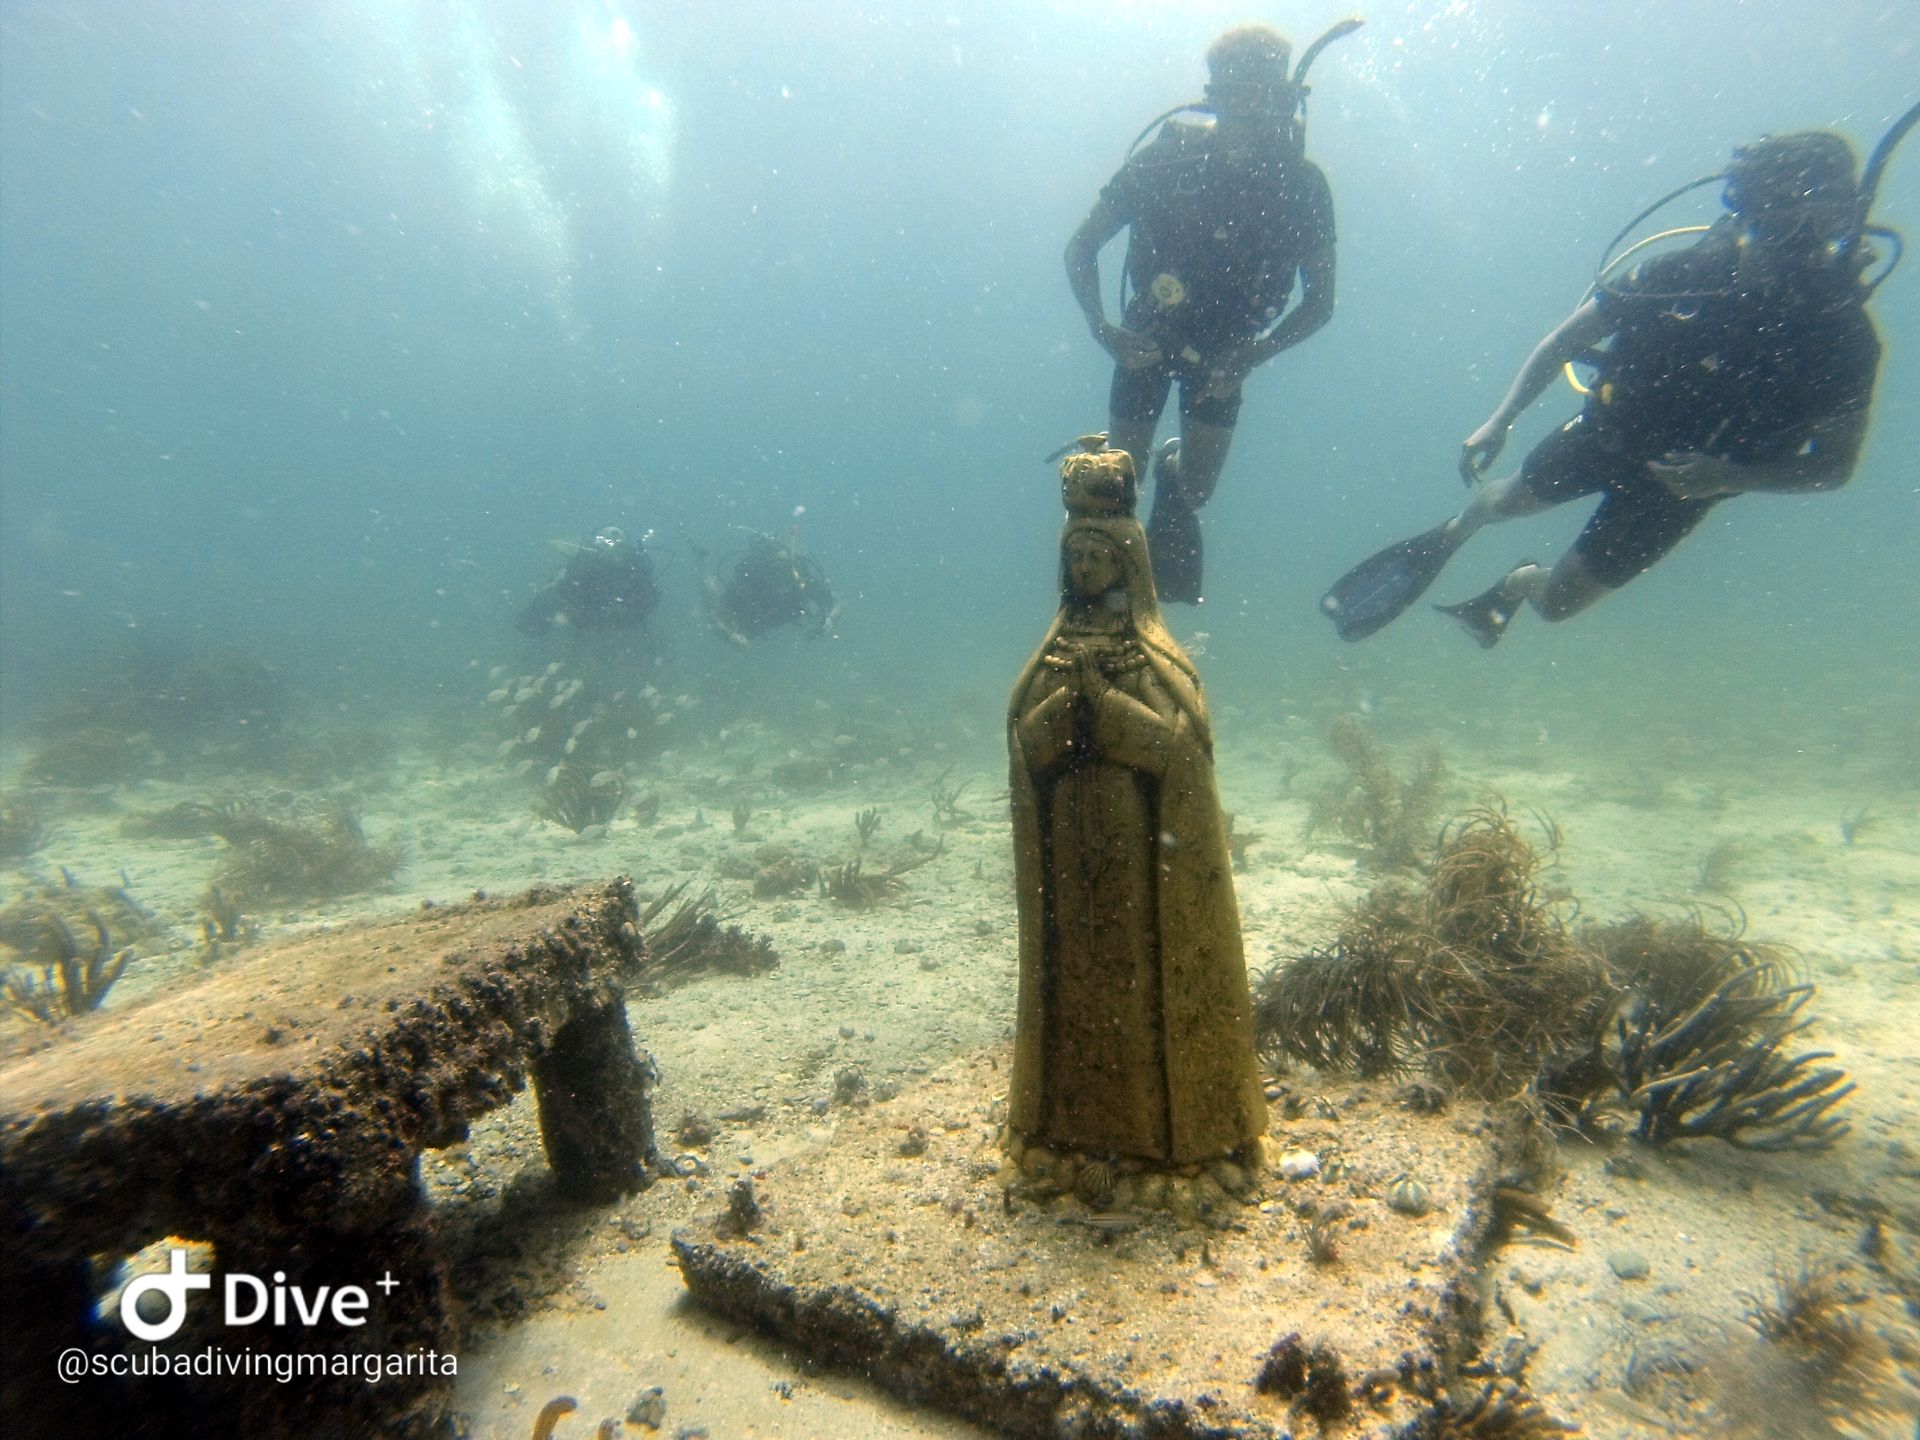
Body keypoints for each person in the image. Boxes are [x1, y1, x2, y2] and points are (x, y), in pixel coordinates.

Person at [1321, 129, 1890, 648]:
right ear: (1744, 208)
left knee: (1556, 606)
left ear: (1845, 218)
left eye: (1817, 214)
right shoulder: (1676, 275)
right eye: (1774, 211)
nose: (1791, 237)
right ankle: (1452, 534)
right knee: (1499, 503)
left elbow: (1835, 466)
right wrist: (1501, 419)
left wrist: (1734, 476)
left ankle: (1520, 582)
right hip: (1607, 436)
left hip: (1681, 493)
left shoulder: (1843, 338)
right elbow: (1562, 343)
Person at [1006, 440, 1266, 1168]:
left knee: (1139, 987)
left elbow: (1181, 756)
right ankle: (1068, 1130)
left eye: (1098, 557)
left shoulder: (1155, 657)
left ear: (1128, 564)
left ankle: (1158, 1140)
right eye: (1076, 558)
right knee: (1078, 987)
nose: (1085, 570)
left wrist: (1109, 711)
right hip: (1068, 853)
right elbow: (1026, 749)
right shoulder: (1053, 653)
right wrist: (1063, 711)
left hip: (1143, 861)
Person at [1065, 22, 1344, 604]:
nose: (1249, 101)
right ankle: (1112, 605)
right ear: (1213, 90)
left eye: (1262, 86)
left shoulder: (1302, 185)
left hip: (1228, 354)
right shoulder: (1165, 159)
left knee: (1196, 491)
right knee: (1118, 486)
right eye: (1236, 85)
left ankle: (1176, 477)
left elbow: (1321, 302)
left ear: (1284, 93)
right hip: (1147, 335)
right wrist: (1104, 331)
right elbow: (1081, 247)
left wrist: (1255, 354)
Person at [517, 526, 660, 635]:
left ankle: (534, 624)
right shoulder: (585, 564)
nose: (614, 554)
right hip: (587, 614)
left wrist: (629, 612)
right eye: (608, 546)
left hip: (615, 618)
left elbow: (651, 595)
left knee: (555, 590)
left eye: (619, 547)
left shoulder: (636, 566)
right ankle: (533, 624)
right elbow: (565, 589)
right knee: (553, 589)